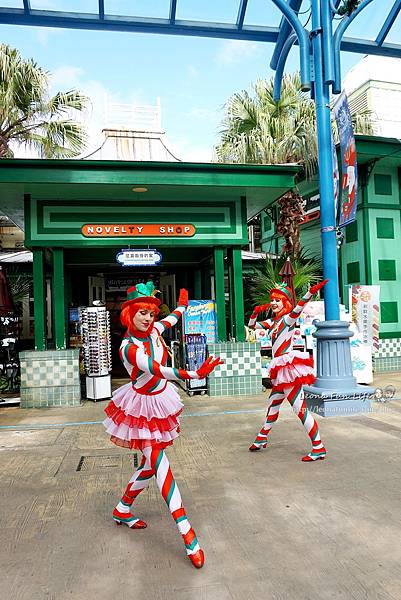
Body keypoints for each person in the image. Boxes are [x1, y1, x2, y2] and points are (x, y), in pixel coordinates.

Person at [103, 281, 222, 568]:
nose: (147, 318)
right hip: (140, 410)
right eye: (141, 312)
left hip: (160, 403)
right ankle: (187, 533)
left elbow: (170, 320)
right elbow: (156, 369)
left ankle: (122, 509)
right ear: (128, 313)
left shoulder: (155, 330)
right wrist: (191, 373)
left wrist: (181, 306)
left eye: (151, 313)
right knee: (161, 467)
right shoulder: (127, 348)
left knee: (149, 465)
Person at [248, 279, 328, 462]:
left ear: (285, 302)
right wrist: (254, 312)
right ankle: (262, 438)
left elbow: (298, 308)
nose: (274, 303)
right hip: (280, 369)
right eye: (273, 300)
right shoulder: (273, 322)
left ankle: (318, 447)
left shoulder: (287, 319)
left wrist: (310, 293)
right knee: (273, 405)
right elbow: (252, 326)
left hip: (287, 368)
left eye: (278, 300)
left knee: (300, 409)